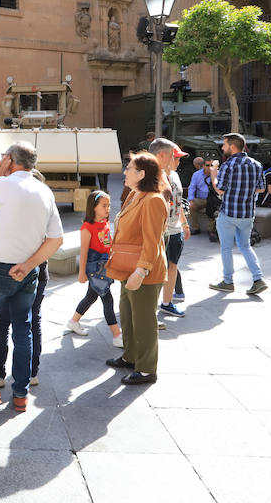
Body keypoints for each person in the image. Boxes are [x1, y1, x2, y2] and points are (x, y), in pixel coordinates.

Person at [0, 141, 63, 413]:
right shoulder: (44, 190)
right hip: (28, 272)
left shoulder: (0, 185)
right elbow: (56, 239)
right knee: (22, 328)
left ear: (10, 161)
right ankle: (20, 394)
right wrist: (29, 265)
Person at [105, 152, 168, 385]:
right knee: (129, 316)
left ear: (141, 174)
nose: (125, 171)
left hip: (143, 271)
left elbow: (152, 242)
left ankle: (146, 369)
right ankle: (131, 357)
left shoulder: (153, 200)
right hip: (126, 267)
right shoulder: (135, 194)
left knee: (143, 320)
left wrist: (141, 271)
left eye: (129, 168)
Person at [0, 169, 50, 389]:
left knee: (2, 321)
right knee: (31, 321)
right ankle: (31, 373)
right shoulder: (45, 205)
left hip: (9, 270)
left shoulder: (13, 208)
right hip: (37, 270)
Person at [209, 133, 268, 295]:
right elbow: (262, 188)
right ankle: (258, 278)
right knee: (245, 246)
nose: (222, 147)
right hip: (248, 214)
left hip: (228, 213)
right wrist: (245, 190)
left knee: (226, 248)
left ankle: (228, 282)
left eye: (224, 144)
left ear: (232, 147)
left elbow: (219, 189)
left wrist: (214, 172)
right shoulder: (256, 164)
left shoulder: (228, 165)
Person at [66, 190, 123, 348]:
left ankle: (73, 321)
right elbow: (83, 251)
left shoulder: (104, 223)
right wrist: (82, 272)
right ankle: (116, 335)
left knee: (91, 296)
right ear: (93, 207)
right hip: (94, 269)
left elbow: (107, 245)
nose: (108, 208)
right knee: (107, 299)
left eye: (109, 205)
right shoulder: (87, 227)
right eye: (104, 205)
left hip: (104, 268)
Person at [148, 138, 190, 318]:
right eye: (176, 158)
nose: (178, 162)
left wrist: (184, 224)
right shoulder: (149, 178)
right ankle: (148, 308)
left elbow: (178, 202)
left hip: (175, 230)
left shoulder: (175, 175)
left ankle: (167, 303)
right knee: (154, 270)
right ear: (161, 156)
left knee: (172, 266)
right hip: (158, 232)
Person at [187, 156, 211, 235]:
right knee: (191, 205)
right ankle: (195, 228)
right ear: (203, 166)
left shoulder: (217, 174)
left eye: (212, 165)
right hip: (201, 199)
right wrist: (191, 199)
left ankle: (212, 230)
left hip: (212, 199)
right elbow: (192, 187)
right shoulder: (196, 175)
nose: (209, 168)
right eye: (207, 165)